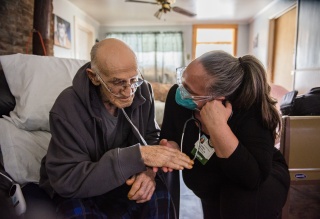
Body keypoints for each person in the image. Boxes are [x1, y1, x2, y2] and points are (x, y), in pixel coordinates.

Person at [39, 38, 194, 218]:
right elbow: (68, 182)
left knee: (158, 194)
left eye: (133, 80)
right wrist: (140, 155)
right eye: (118, 83)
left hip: (123, 178)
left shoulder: (142, 90)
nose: (129, 92)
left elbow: (150, 138)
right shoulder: (67, 106)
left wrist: (148, 172)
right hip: (79, 187)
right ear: (94, 77)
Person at [160, 50, 290, 219]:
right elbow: (172, 136)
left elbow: (251, 178)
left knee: (237, 201)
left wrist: (218, 126)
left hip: (258, 178)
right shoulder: (177, 97)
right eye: (182, 79)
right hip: (212, 180)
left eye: (190, 90)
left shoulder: (250, 108)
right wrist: (171, 147)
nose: (180, 91)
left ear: (218, 98)